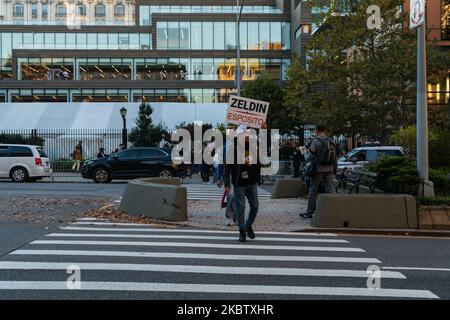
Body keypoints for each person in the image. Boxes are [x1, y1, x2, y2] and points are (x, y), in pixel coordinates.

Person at [224, 125, 263, 242]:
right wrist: (227, 183)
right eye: (245, 134)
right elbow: (227, 168)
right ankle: (241, 231)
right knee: (240, 208)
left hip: (252, 182)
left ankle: (248, 225)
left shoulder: (254, 146)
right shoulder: (232, 147)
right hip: (239, 182)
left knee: (255, 206)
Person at [299, 125, 337, 219]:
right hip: (330, 168)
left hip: (318, 169)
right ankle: (334, 210)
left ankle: (309, 212)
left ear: (316, 130)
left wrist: (304, 154)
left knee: (313, 190)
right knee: (330, 189)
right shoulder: (331, 140)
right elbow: (335, 156)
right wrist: (335, 168)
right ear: (324, 130)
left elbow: (309, 157)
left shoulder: (316, 141)